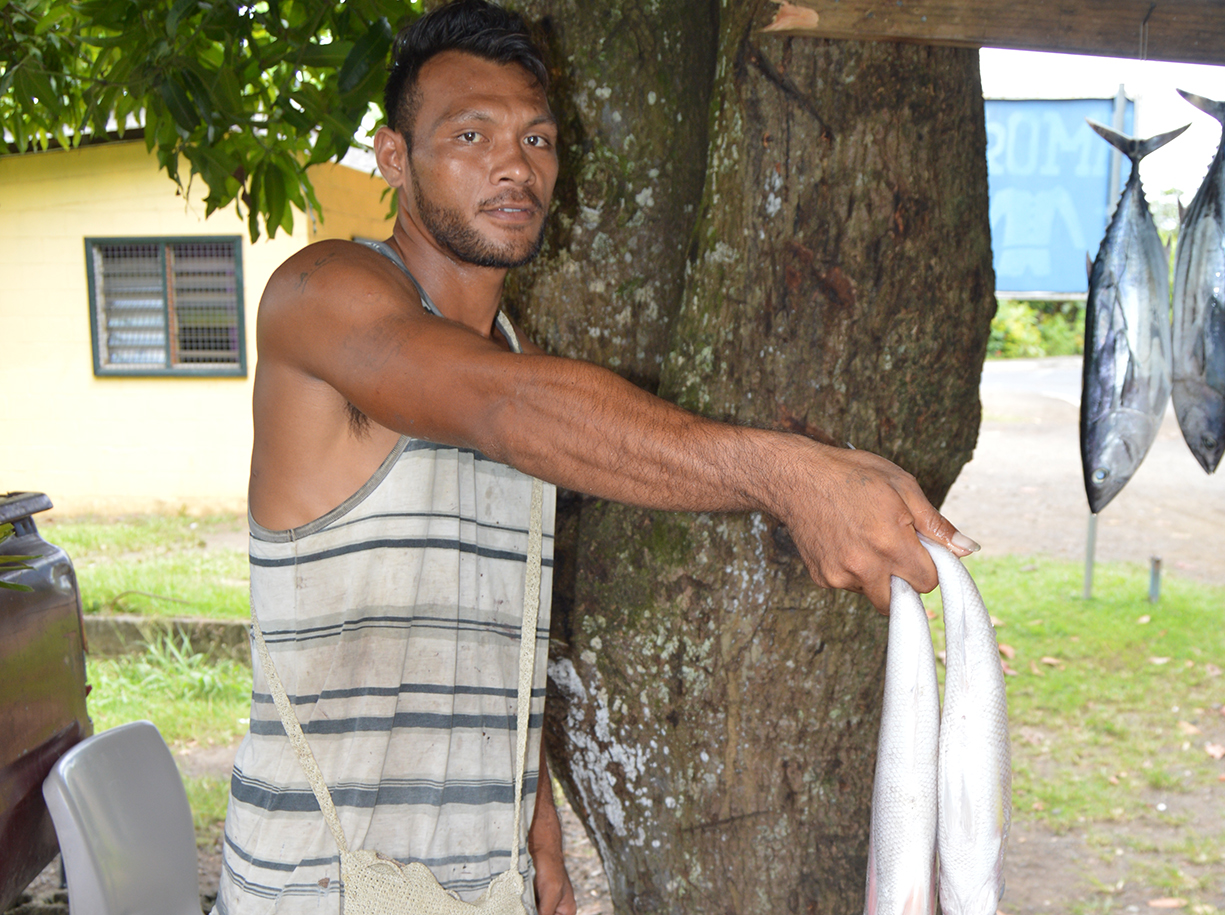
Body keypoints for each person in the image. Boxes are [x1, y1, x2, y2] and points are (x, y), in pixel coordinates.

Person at [217, 2, 978, 914]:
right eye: (470, 134)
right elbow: (507, 408)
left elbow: (494, 625)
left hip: (483, 883)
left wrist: (536, 824)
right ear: (392, 157)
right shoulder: (323, 294)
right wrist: (788, 473)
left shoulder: (506, 348)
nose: (514, 164)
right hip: (321, 882)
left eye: (536, 137)